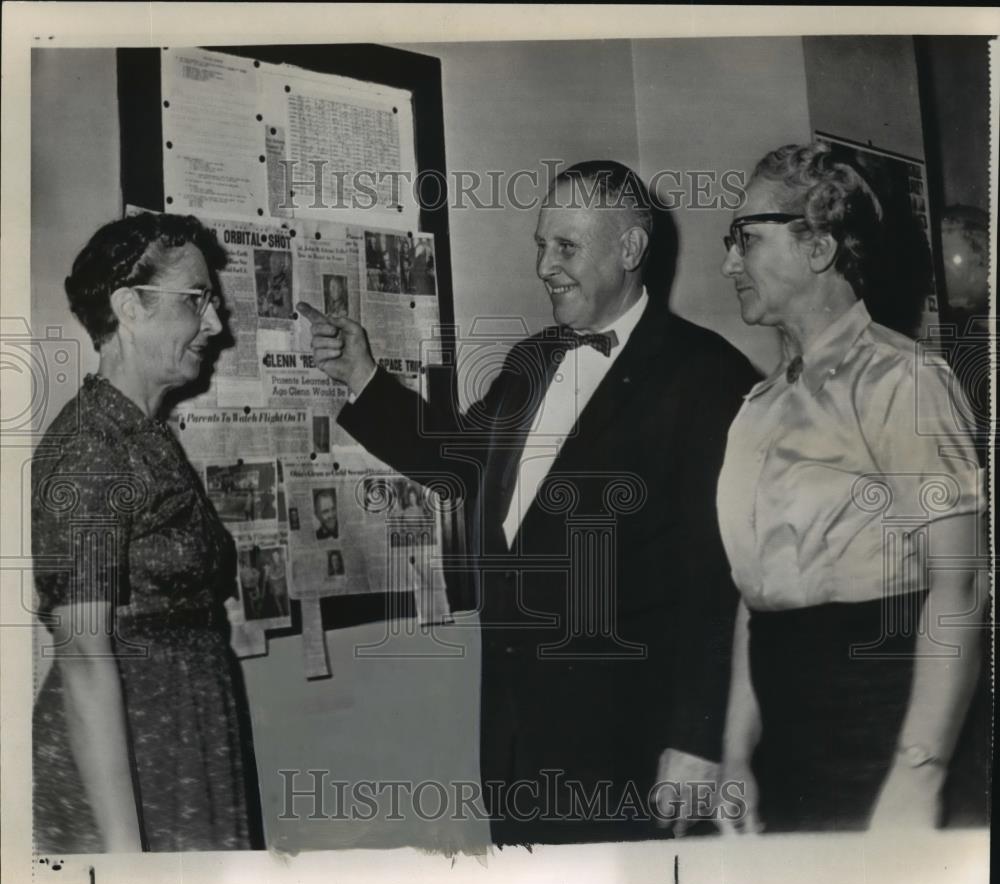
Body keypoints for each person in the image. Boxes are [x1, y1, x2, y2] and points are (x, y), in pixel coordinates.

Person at [304, 160, 757, 845]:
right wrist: (363, 377)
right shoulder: (531, 361)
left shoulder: (705, 375)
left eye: (566, 247)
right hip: (520, 738)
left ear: (630, 251)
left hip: (634, 744)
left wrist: (696, 737)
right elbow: (457, 464)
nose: (545, 266)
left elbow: (717, 577)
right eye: (541, 246)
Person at [716, 142, 986, 834]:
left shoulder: (906, 382)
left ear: (818, 248)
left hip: (886, 729)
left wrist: (917, 775)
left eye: (746, 239)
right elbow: (758, 603)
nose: (727, 264)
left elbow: (962, 586)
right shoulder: (756, 410)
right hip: (786, 749)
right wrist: (736, 757)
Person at [32, 212, 263, 853]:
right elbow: (83, 657)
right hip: (130, 759)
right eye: (196, 301)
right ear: (129, 308)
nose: (214, 325)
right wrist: (126, 857)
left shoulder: (142, 434)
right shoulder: (90, 446)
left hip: (180, 731)